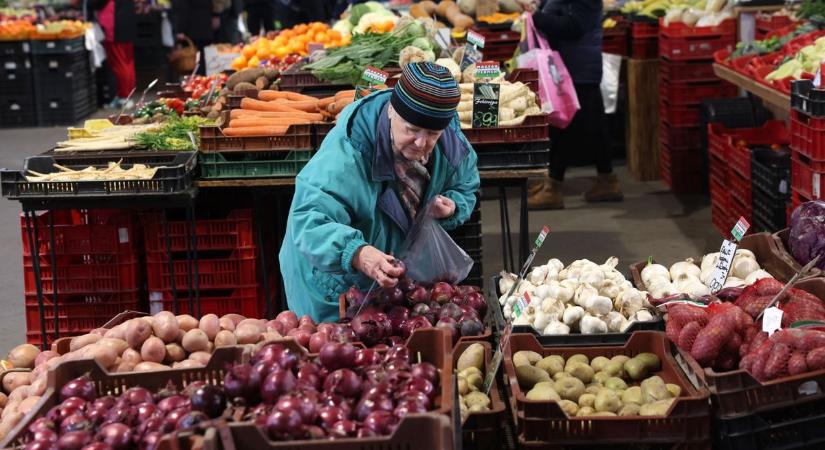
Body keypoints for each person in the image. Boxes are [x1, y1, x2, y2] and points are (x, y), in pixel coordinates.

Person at [279, 62, 481, 322]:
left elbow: (466, 182)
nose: (421, 142)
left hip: (388, 280)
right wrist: (357, 253)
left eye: (432, 133)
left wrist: (454, 205)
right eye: (411, 129)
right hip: (330, 278)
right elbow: (308, 219)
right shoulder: (349, 153)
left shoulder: (450, 142)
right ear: (390, 111)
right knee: (336, 353)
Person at [521, 0, 623, 209]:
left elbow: (574, 26)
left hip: (578, 68)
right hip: (574, 65)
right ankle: (607, 180)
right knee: (595, 125)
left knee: (566, 125)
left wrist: (537, 16)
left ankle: (553, 187)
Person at [89, 0, 136, 108]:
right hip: (127, 21)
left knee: (119, 63)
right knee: (128, 62)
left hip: (114, 24)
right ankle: (126, 95)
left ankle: (124, 97)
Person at [172, 0, 215, 75]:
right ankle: (202, 81)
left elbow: (183, 9)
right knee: (203, 60)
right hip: (206, 27)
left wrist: (180, 29)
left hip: (192, 29)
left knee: (193, 60)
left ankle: (196, 81)